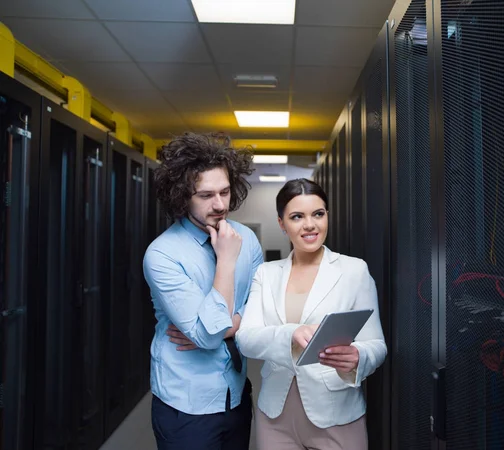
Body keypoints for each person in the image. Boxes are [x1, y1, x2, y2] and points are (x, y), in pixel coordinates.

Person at [236, 178, 387, 450]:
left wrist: (358, 357)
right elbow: (246, 339)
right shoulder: (266, 274)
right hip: (276, 416)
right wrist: (290, 333)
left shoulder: (354, 271)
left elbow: (376, 345)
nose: (310, 225)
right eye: (297, 217)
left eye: (318, 214)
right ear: (282, 224)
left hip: (336, 413)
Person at [142, 132, 263, 450]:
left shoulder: (246, 239)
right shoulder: (162, 254)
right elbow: (210, 334)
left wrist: (228, 327)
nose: (220, 204)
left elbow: (264, 307)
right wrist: (225, 261)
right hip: (187, 405)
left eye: (224, 191)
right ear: (182, 197)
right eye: (206, 195)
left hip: (236, 393)